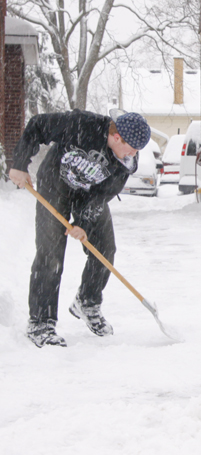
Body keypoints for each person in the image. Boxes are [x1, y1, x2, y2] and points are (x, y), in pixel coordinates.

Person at [8, 109, 151, 348]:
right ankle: (40, 324)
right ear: (117, 137)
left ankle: (87, 301)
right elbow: (37, 125)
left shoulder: (125, 164)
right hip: (55, 185)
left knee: (105, 249)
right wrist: (20, 165)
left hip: (89, 196)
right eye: (133, 147)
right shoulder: (82, 124)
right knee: (50, 254)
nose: (134, 154)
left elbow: (102, 196)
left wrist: (83, 224)